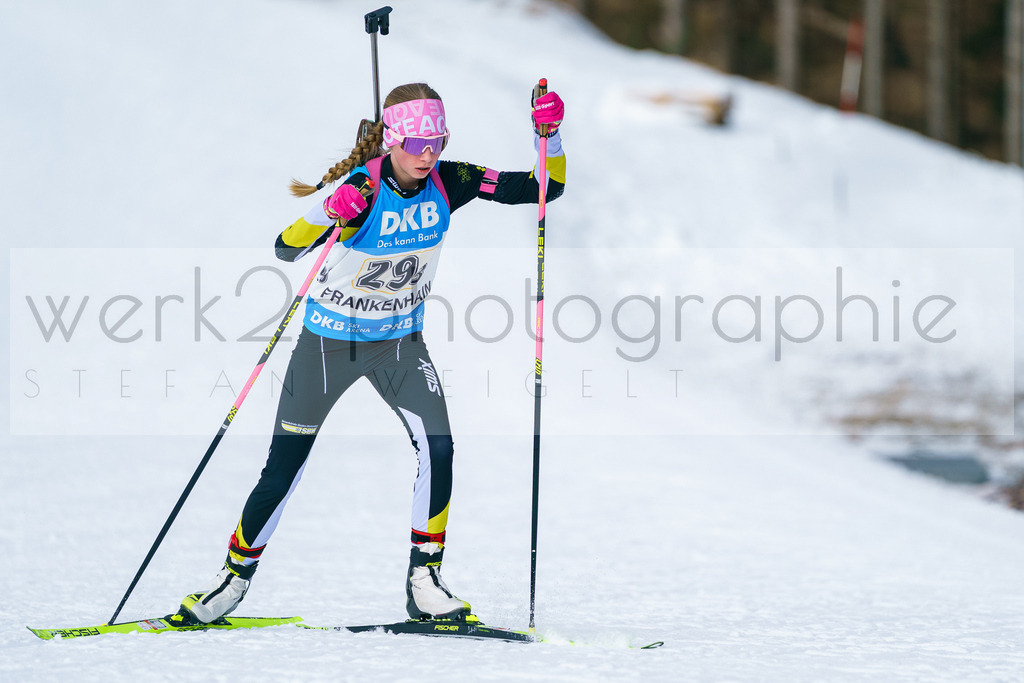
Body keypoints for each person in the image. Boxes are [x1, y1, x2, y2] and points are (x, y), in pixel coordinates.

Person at [176, 82, 565, 624]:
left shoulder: (453, 181)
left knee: (440, 447)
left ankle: (424, 581)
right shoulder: (362, 188)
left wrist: (549, 136)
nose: (428, 155)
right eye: (416, 143)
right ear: (392, 139)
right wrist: (329, 213)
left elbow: (545, 189)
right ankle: (231, 582)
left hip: (399, 345)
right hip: (329, 344)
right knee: (284, 467)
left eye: (438, 141)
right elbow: (286, 246)